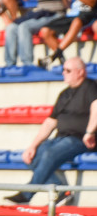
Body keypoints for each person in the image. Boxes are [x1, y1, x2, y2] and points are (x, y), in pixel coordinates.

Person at [6, 57, 97, 204]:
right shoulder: (64, 94)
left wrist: (90, 132)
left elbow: (96, 106)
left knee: (49, 153)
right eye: (63, 70)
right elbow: (50, 122)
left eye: (68, 70)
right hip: (61, 138)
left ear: (80, 72)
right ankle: (62, 190)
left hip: (80, 139)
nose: (63, 73)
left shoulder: (91, 87)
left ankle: (26, 194)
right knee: (33, 155)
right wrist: (32, 146)